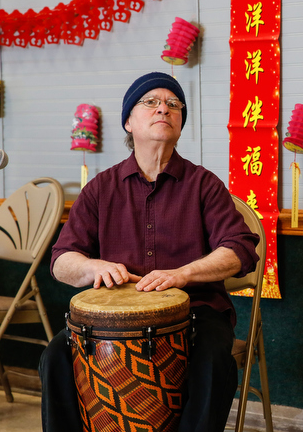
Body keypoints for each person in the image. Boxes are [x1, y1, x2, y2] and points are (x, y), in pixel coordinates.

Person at [39, 72, 260, 432]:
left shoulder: (204, 184)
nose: (164, 109)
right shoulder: (100, 188)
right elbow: (62, 260)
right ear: (128, 121)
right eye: (152, 102)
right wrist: (93, 267)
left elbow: (239, 249)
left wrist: (184, 274)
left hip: (195, 311)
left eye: (174, 105)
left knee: (213, 359)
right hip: (112, 322)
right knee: (55, 356)